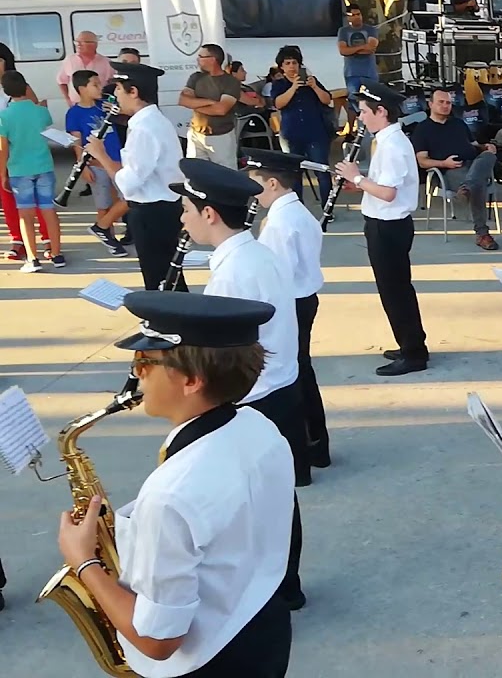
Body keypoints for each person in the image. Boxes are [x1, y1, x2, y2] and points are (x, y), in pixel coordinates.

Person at [56, 290, 293, 677]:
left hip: (207, 663)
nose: (137, 374)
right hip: (261, 628)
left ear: (191, 380)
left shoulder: (170, 495)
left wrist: (84, 562)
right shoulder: (260, 428)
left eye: (144, 362)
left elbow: (158, 641)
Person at [171, 159, 308, 612]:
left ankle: (275, 592)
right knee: (276, 496)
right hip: (278, 388)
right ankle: (287, 586)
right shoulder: (254, 253)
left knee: (256, 506)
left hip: (255, 398)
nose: (183, 218)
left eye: (187, 209)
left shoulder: (234, 272)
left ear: (210, 214)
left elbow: (223, 356)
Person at [242, 149, 331, 470]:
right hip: (303, 299)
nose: (253, 193)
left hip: (291, 303)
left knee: (292, 376)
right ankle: (317, 445)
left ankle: (308, 447)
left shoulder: (280, 222)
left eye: (256, 183)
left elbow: (276, 273)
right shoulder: (294, 212)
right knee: (301, 370)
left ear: (273, 183)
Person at [335, 82, 429, 377]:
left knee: (395, 292)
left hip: (389, 226)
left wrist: (357, 178)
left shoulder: (392, 146)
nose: (360, 117)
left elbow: (388, 193)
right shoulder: (386, 141)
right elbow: (383, 185)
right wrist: (359, 185)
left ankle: (413, 353)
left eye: (364, 111)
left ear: (381, 112)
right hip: (383, 223)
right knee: (394, 290)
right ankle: (410, 343)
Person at [86, 62, 185, 291]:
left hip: (153, 212)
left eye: (119, 89)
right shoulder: (151, 121)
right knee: (167, 277)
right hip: (162, 208)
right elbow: (142, 167)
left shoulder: (143, 128)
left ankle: (164, 314)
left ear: (134, 92)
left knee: (158, 279)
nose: (115, 95)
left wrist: (102, 156)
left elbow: (129, 183)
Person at [412, 88, 500, 251]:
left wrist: (486, 147)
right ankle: (482, 233)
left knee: (489, 156)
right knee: (478, 184)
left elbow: (474, 146)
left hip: (473, 164)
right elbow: (422, 161)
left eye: (448, 103)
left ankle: (467, 187)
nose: (445, 106)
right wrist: (444, 163)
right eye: (441, 102)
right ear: (430, 104)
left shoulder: (459, 123)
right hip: (449, 170)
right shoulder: (422, 129)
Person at [0, 70, 64, 272]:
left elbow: (3, 148)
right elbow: (46, 127)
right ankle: (57, 254)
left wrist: (2, 173)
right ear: (26, 87)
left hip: (19, 169)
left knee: (25, 214)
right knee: (48, 210)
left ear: (6, 92)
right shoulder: (41, 111)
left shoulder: (4, 116)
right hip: (44, 166)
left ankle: (32, 258)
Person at [66, 70, 129, 257]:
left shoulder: (104, 105)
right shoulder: (74, 113)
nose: (100, 88)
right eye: (95, 84)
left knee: (127, 197)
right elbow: (77, 142)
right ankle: (110, 239)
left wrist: (117, 110)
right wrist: (83, 165)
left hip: (117, 160)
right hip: (95, 163)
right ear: (82, 89)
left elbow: (125, 117)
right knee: (103, 204)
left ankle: (103, 228)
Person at [270, 46, 334, 202]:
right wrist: (293, 87)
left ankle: (327, 207)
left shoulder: (312, 81)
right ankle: (297, 206)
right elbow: (278, 104)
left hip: (315, 132)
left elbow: (327, 100)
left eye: (294, 63)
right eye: (287, 63)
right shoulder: (279, 84)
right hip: (291, 134)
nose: (292, 66)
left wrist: (314, 87)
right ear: (282, 67)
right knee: (293, 174)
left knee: (322, 171)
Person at [179, 44, 241, 169]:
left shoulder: (230, 82)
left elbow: (221, 109)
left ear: (212, 59)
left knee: (225, 174)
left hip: (221, 136)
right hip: (196, 134)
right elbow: (183, 100)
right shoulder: (196, 77)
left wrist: (195, 104)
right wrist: (211, 102)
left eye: (201, 56)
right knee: (195, 173)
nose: (198, 59)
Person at [338, 4, 380, 122]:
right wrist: (362, 47)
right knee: (352, 101)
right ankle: (352, 128)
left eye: (358, 14)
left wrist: (352, 50)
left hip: (370, 72)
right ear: (348, 17)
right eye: (353, 15)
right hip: (352, 73)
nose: (357, 17)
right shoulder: (343, 31)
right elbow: (343, 51)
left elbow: (371, 48)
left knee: (372, 100)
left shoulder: (370, 30)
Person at [55, 31, 113, 106]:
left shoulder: (106, 62)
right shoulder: (69, 60)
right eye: (77, 42)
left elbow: (112, 84)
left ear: (94, 44)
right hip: (76, 104)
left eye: (82, 42)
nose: (78, 44)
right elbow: (61, 82)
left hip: (99, 105)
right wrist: (68, 99)